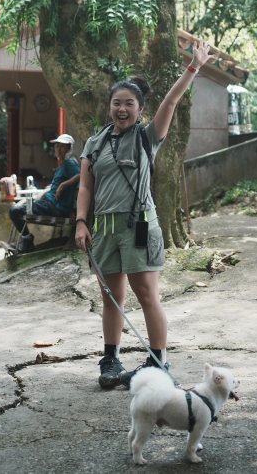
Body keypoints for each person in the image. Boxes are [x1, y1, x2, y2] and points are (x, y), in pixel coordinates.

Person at [77, 40, 212, 390]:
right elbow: (86, 187)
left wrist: (193, 68)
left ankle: (158, 361)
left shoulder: (148, 137)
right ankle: (111, 358)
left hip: (139, 224)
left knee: (147, 293)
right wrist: (80, 222)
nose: (122, 109)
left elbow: (171, 101)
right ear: (109, 106)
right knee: (111, 297)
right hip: (103, 227)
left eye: (129, 104)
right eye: (116, 102)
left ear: (140, 108)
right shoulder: (95, 142)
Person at [5, 134, 81, 252]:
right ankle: (25, 239)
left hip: (55, 207)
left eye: (62, 147)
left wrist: (63, 185)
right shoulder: (63, 165)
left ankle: (28, 239)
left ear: (68, 149)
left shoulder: (70, 163)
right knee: (17, 209)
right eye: (57, 146)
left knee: (14, 211)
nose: (58, 149)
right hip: (49, 204)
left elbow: (81, 176)